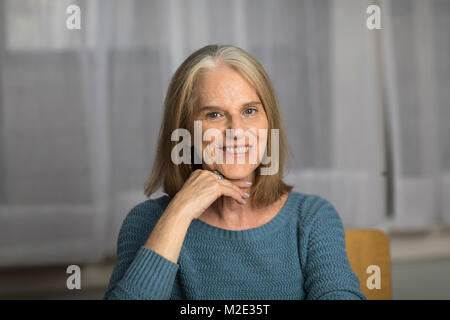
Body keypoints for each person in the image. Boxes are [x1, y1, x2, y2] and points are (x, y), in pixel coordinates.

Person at [103, 44, 366, 300]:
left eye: (249, 111)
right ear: (185, 130)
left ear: (268, 122)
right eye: (214, 114)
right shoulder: (146, 221)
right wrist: (178, 213)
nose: (237, 132)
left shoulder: (311, 217)